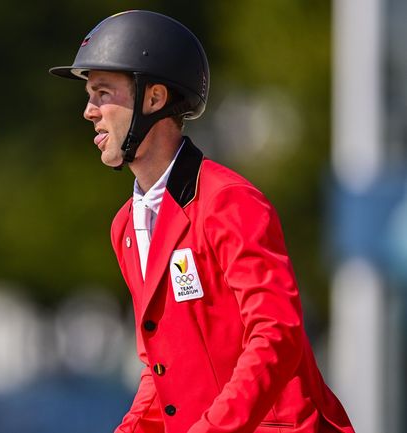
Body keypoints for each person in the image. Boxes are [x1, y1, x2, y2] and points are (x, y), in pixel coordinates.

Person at [49, 10, 355, 433]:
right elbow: (161, 370)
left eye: (102, 93)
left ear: (153, 99)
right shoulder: (126, 229)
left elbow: (276, 334)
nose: (89, 111)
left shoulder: (230, 201)